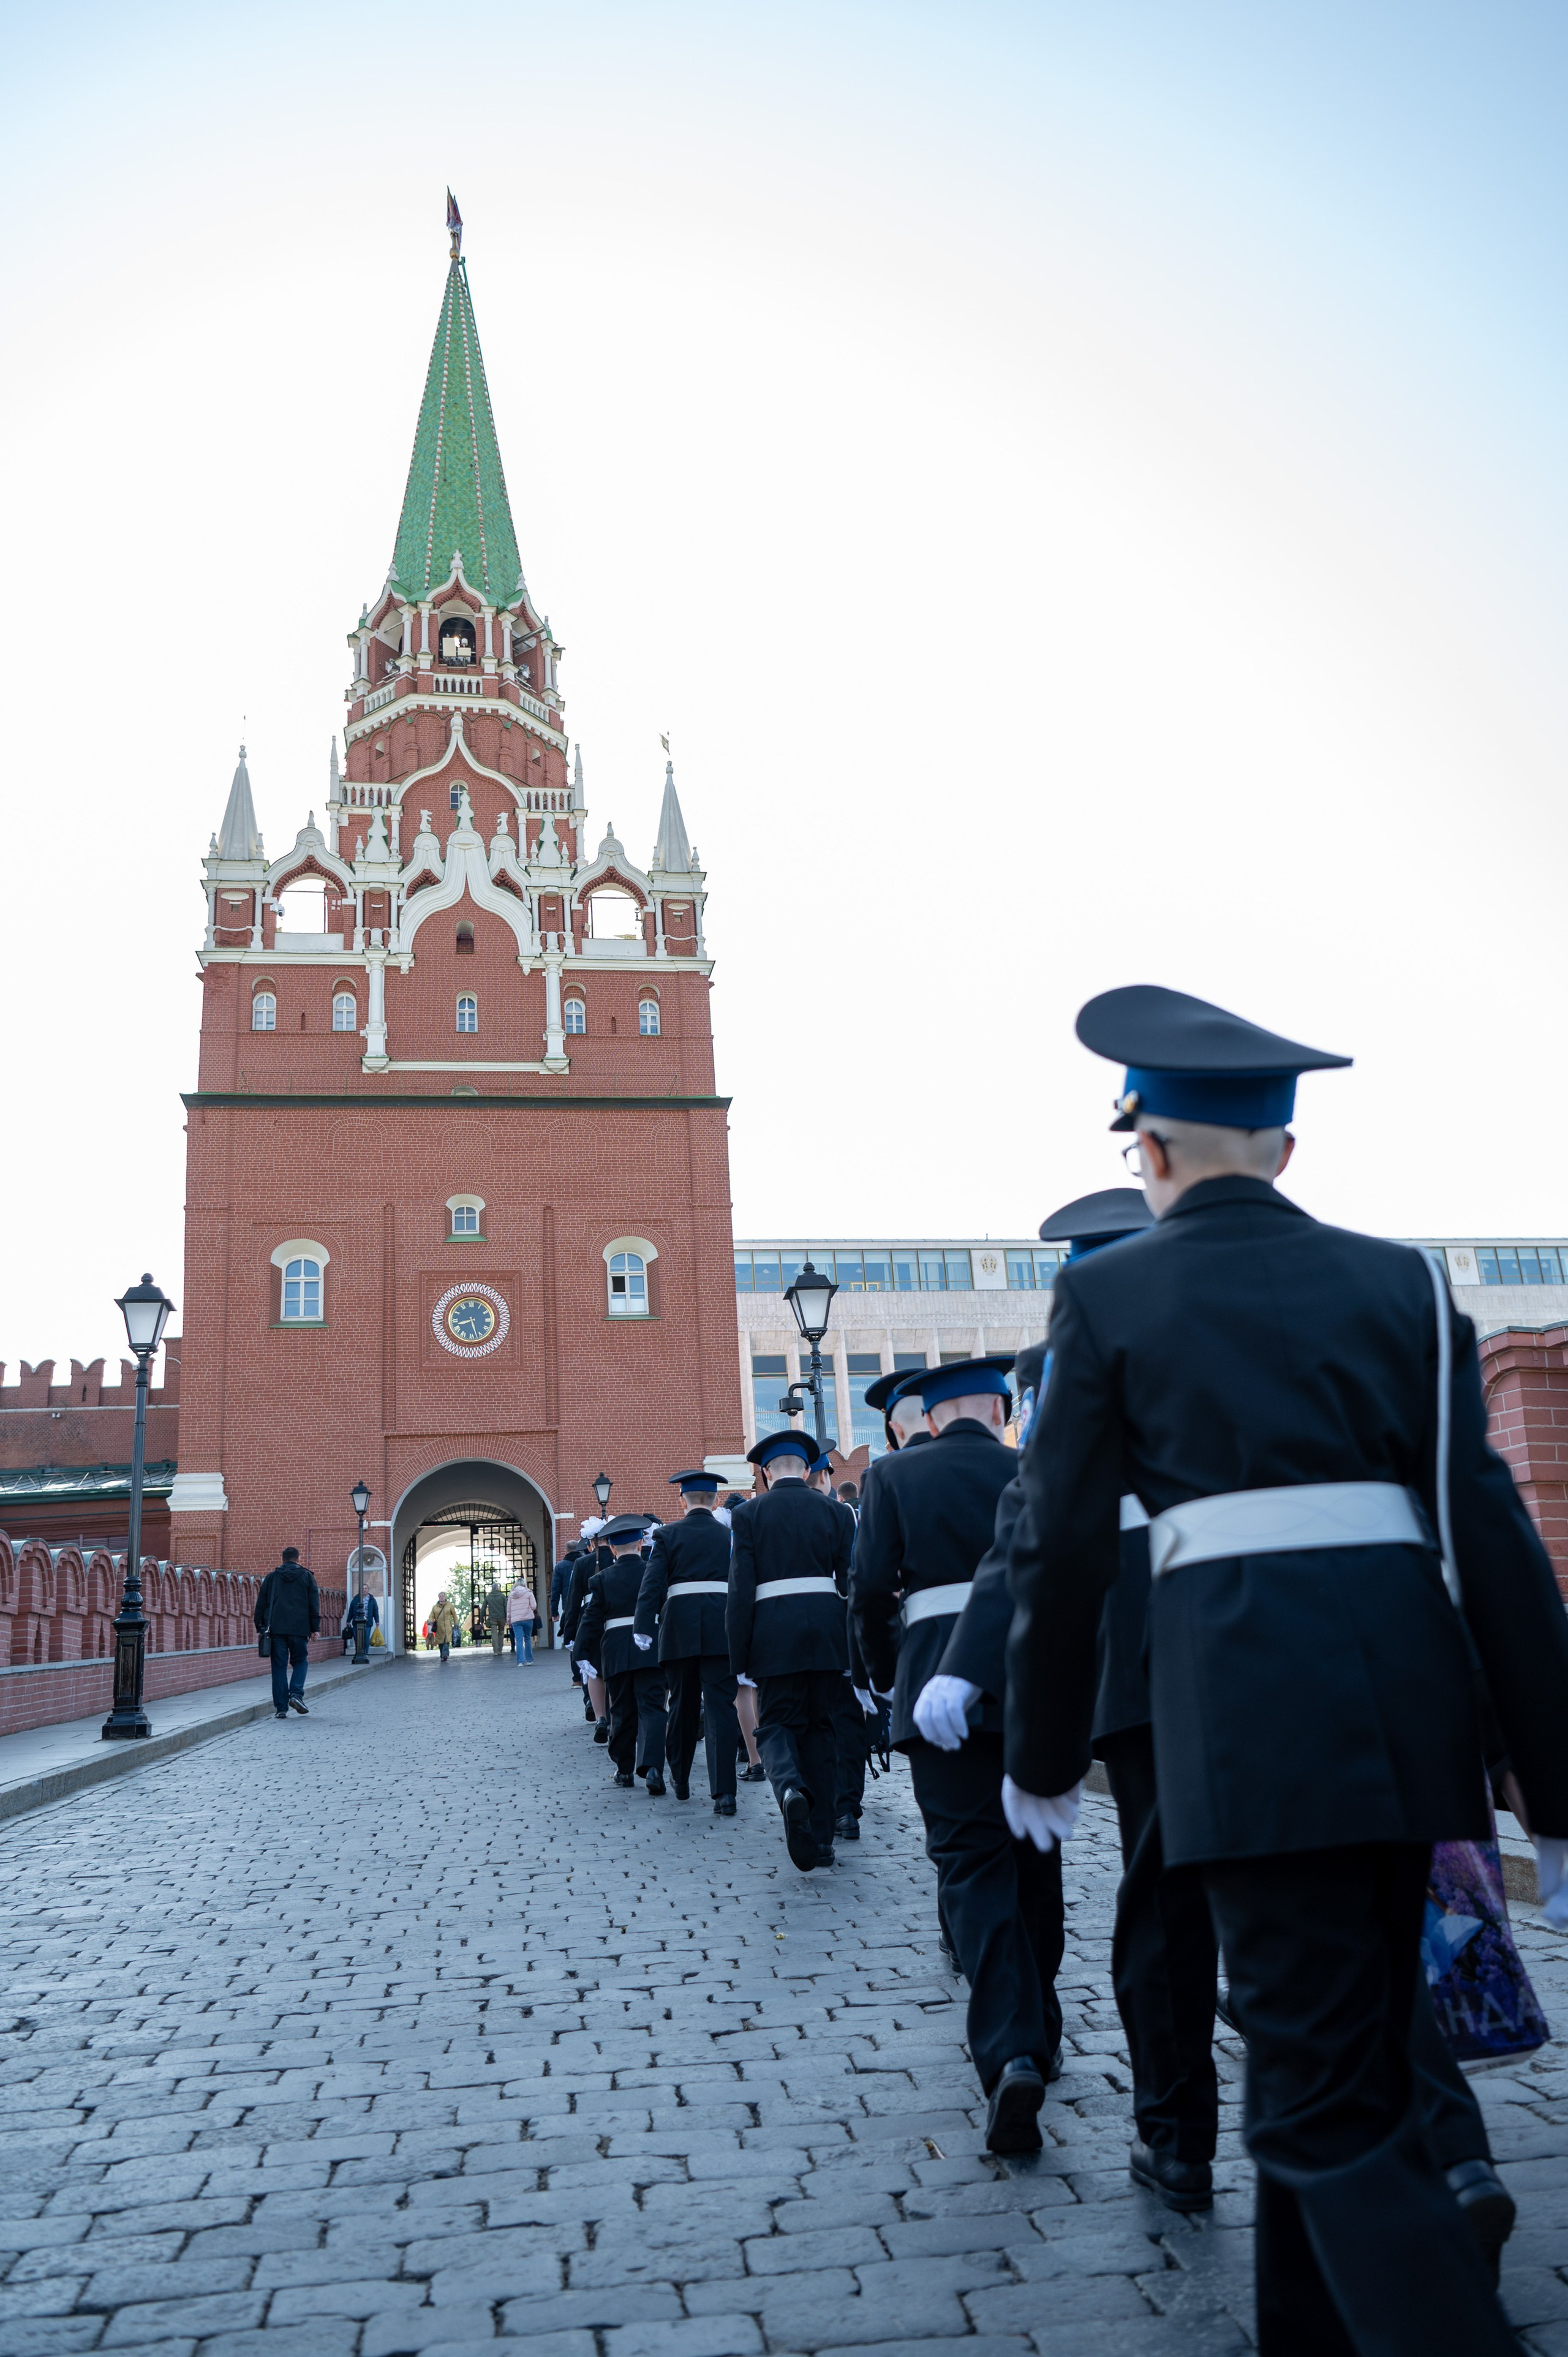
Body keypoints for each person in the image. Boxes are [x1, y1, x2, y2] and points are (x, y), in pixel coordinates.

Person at [1003, 982, 1568, 2356]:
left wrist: (1040, 1751)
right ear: (1285, 1150)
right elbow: (1488, 1531)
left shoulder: (1109, 1292)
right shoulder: (1400, 1280)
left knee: (1317, 2106)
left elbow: (1061, 1548)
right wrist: (1549, 1782)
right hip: (1408, 1715)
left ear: (1148, 1149)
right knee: (1343, 2058)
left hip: (1244, 1728)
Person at [854, 1356, 1063, 2157]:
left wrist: (884, 1677)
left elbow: (869, 1589)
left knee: (970, 1864)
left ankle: (1012, 2048)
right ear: (1001, 1412)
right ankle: (1045, 2025)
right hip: (1033, 1678)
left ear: (931, 1417)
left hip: (934, 1679)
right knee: (1036, 1859)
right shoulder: (1030, 1468)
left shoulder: (894, 1476)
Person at [728, 1431, 852, 1871]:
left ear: (766, 1472)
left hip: (773, 1635)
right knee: (821, 1730)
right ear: (807, 1470)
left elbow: (741, 1590)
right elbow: (849, 1583)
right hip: (828, 1634)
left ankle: (789, 1790)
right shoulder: (838, 1513)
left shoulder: (748, 1515)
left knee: (777, 1724)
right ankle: (823, 1840)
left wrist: (739, 1655)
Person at [636, 1470, 742, 1814]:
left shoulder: (667, 1535)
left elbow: (652, 1583)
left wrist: (643, 1626)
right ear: (714, 1500)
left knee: (682, 1705)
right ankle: (725, 1793)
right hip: (721, 1627)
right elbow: (742, 1582)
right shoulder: (729, 1535)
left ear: (682, 1500)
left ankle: (680, 1778)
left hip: (678, 1628)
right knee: (721, 1708)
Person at [575, 1514, 668, 1792]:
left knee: (622, 1710)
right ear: (640, 1544)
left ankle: (625, 1769)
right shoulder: (654, 1572)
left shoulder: (601, 1579)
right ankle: (653, 1768)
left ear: (613, 1549)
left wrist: (580, 1651)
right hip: (650, 1647)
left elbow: (591, 1619)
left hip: (615, 1651)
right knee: (653, 1708)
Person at [809, 1451, 870, 1844]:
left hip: (792, 1637)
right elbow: (856, 1576)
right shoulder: (844, 1514)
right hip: (838, 1629)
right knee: (846, 1720)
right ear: (825, 1477)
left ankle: (816, 1805)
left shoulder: (768, 1511)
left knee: (807, 1722)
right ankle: (846, 1808)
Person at [254, 1546, 321, 1719]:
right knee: (300, 1661)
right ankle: (296, 1695)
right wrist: (315, 1628)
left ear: (283, 1559)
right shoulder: (307, 1577)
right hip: (300, 1629)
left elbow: (261, 1603)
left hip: (276, 1630)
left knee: (279, 1667)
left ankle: (281, 1709)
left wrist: (259, 1625)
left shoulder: (272, 1577)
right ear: (298, 1559)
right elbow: (314, 1603)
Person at [507, 1574, 537, 1663]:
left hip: (516, 1621)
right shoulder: (529, 1593)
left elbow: (509, 1610)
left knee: (519, 1641)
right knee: (528, 1639)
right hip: (528, 1619)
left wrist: (509, 1621)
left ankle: (520, 1661)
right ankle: (529, 1660)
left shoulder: (511, 1596)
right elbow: (534, 1606)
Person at [429, 1590, 458, 1661]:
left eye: (443, 1596)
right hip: (439, 1627)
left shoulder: (450, 1605)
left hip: (448, 1626)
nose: (442, 1597)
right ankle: (442, 1655)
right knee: (440, 1642)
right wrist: (430, 1622)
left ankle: (445, 1654)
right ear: (438, 1597)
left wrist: (456, 1623)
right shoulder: (435, 1607)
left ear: (445, 1597)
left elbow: (454, 1615)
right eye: (440, 1596)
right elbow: (431, 1616)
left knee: (446, 1640)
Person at [484, 1582, 508, 1657]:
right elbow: (506, 1607)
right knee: (501, 1632)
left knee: (494, 1634)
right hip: (502, 1618)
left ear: (492, 1589)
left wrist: (481, 1618)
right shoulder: (502, 1597)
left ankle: (495, 1651)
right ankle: (500, 1650)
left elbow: (483, 1609)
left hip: (493, 1618)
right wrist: (507, 1617)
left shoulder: (488, 1597)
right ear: (498, 1588)